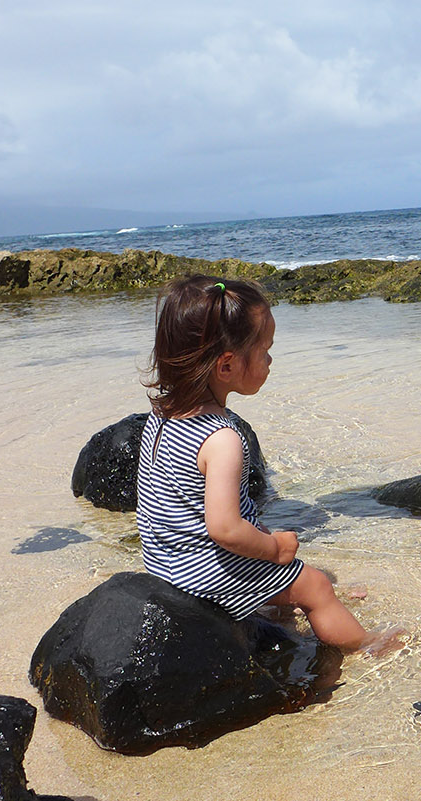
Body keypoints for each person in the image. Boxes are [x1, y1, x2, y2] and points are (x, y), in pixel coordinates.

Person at [137, 274, 401, 655]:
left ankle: (275, 607)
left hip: (166, 564)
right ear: (226, 366)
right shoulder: (222, 440)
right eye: (265, 351)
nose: (271, 359)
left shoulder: (162, 416)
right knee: (316, 587)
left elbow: (173, 504)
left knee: (281, 560)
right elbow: (224, 528)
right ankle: (366, 647)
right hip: (202, 577)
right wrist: (274, 548)